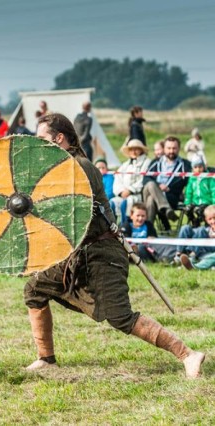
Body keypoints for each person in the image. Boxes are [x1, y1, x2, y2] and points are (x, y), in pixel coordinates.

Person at [24, 113, 204, 378]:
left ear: (59, 138)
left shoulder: (81, 166)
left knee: (120, 316)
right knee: (35, 289)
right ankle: (46, 359)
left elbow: (69, 212)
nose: (39, 144)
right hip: (78, 253)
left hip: (102, 252)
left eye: (43, 138)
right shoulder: (62, 166)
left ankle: (188, 355)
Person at [142, 136, 190, 231]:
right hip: (151, 191)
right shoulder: (155, 162)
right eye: (169, 148)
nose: (171, 151)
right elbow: (146, 178)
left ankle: (148, 231)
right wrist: (158, 185)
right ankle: (166, 209)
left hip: (171, 196)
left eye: (174, 148)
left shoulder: (185, 164)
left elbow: (189, 180)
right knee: (151, 184)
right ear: (164, 148)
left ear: (179, 149)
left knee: (151, 200)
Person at [111, 139, 151, 225]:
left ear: (141, 150)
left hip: (136, 195)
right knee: (111, 203)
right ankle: (111, 229)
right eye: (131, 149)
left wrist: (130, 190)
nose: (133, 151)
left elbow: (144, 179)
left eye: (136, 149)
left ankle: (125, 228)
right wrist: (121, 192)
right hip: (122, 195)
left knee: (125, 204)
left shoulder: (147, 163)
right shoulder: (125, 165)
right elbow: (117, 179)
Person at [183, 156, 214, 227]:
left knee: (199, 210)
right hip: (195, 201)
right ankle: (194, 222)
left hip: (206, 202)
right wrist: (187, 203)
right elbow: (189, 192)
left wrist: (213, 203)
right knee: (187, 209)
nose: (198, 169)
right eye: (195, 167)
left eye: (200, 167)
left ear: (204, 167)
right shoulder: (192, 179)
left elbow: (213, 190)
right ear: (192, 168)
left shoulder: (209, 178)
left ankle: (206, 224)